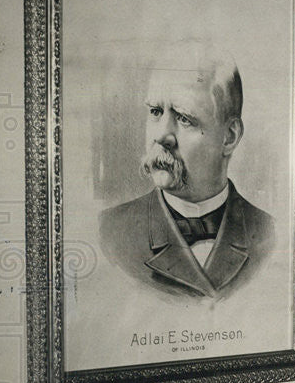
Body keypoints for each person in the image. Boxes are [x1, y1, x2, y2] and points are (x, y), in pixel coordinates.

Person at [99, 54, 275, 299]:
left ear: (230, 137)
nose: (162, 136)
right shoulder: (107, 234)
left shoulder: (272, 237)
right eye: (155, 111)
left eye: (183, 118)